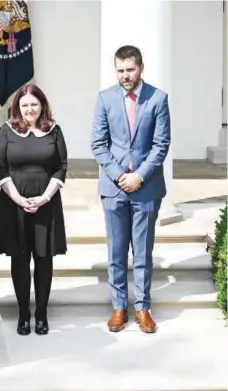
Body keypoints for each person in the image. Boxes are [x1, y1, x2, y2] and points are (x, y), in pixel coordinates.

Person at [91, 45, 171, 334]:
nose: (125, 75)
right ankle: (119, 307)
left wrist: (139, 176)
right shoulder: (105, 99)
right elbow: (98, 144)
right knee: (116, 251)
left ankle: (143, 308)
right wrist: (118, 175)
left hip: (146, 188)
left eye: (130, 69)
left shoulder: (158, 99)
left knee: (142, 252)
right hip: (113, 189)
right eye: (120, 70)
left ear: (141, 68)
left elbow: (161, 145)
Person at [0, 83, 68, 336]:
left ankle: (42, 314)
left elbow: (61, 166)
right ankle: (24, 313)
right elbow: (0, 166)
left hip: (46, 203)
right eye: (24, 105)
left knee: (44, 259)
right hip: (14, 204)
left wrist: (45, 197)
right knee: (20, 259)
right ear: (17, 107)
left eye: (34, 104)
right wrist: (18, 198)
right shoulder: (8, 130)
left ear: (42, 105)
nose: (29, 109)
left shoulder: (54, 131)